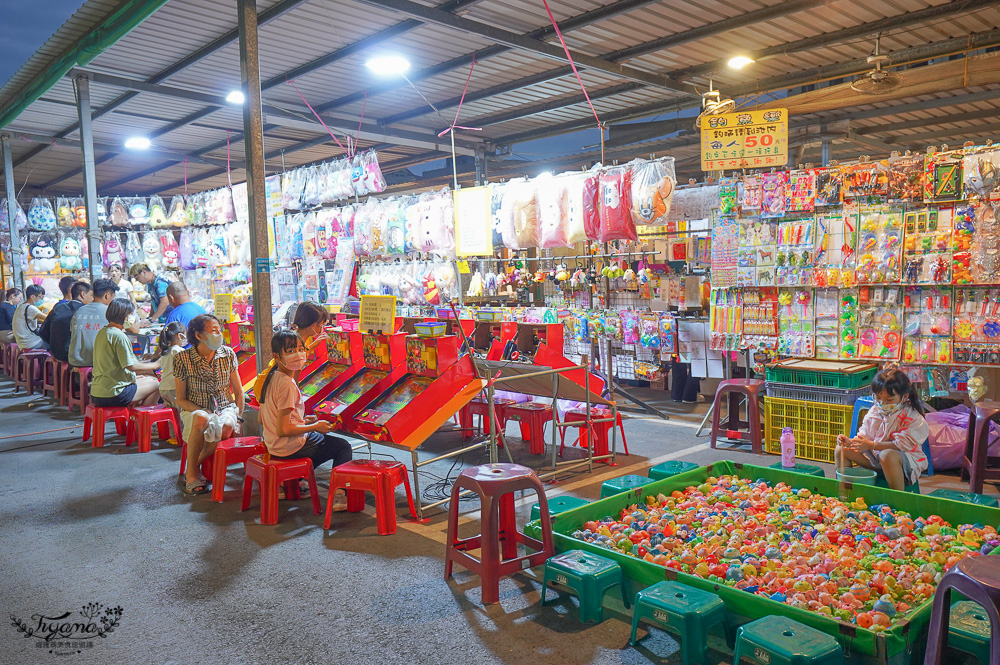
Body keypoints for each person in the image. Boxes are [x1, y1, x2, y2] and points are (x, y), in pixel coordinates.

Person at [259, 330, 351, 510]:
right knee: (342, 446)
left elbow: (263, 418)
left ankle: (296, 478)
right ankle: (340, 494)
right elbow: (283, 430)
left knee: (319, 444)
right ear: (277, 356)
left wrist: (302, 421)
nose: (299, 354)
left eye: (301, 349)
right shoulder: (286, 384)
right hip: (287, 446)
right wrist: (315, 426)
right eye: (291, 350)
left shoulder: (270, 377)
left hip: (272, 445)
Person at [174, 314, 244, 495]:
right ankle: (192, 474)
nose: (219, 334)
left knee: (227, 425)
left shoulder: (227, 354)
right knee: (201, 418)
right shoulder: (182, 359)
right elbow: (180, 400)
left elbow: (239, 392)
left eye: (220, 330)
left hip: (225, 407)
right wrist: (201, 409)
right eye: (214, 330)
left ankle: (192, 467)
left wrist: (239, 418)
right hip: (194, 408)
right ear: (199, 335)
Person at [836, 368, 930, 491]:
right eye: (879, 398)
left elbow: (900, 445)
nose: (883, 403)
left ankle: (898, 500)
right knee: (841, 449)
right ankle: (844, 493)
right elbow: (864, 435)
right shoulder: (875, 411)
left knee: (887, 455)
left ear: (905, 396)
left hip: (901, 463)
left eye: (889, 400)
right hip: (875, 459)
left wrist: (872, 445)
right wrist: (850, 442)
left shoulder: (912, 417)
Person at [90, 298, 160, 408]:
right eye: (132, 314)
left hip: (98, 390)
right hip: (113, 393)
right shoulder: (119, 335)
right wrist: (157, 364)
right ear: (124, 316)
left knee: (146, 378)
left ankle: (136, 419)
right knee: (157, 384)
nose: (133, 318)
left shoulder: (103, 332)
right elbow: (131, 366)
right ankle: (141, 422)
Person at [252, 301, 328, 399]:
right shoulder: (298, 349)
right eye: (322, 324)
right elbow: (294, 380)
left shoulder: (292, 336)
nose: (322, 328)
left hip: (265, 384)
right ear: (314, 325)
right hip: (273, 392)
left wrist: (313, 345)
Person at [69, 278, 119, 368]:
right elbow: (133, 330)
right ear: (107, 295)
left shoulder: (79, 311)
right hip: (95, 361)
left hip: (74, 359)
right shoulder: (109, 312)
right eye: (113, 297)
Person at [39, 281, 92, 362]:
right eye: (91, 295)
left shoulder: (58, 307)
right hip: (73, 356)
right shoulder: (84, 311)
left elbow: (43, 331)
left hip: (55, 354)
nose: (92, 299)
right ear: (83, 294)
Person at [156, 322, 187, 409]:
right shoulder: (178, 351)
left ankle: (171, 423)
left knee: (171, 413)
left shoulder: (165, 352)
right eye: (185, 335)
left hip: (164, 388)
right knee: (180, 412)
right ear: (179, 336)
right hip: (174, 388)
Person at [13, 284, 48, 350]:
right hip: (31, 343)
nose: (41, 300)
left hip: (22, 342)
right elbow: (48, 318)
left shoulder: (21, 306)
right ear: (32, 296)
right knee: (54, 344)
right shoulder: (30, 308)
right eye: (40, 297)